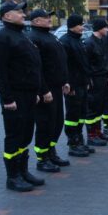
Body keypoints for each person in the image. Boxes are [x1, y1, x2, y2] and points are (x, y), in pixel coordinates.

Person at [0, 1, 43, 191]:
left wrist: (36, 92)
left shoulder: (21, 35)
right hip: (15, 97)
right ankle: (12, 177)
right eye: (18, 11)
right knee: (14, 136)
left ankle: (23, 171)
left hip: (29, 95)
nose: (23, 14)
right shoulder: (2, 38)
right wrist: (7, 98)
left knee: (26, 135)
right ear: (6, 16)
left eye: (23, 11)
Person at [26, 9, 72, 172]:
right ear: (36, 21)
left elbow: (60, 61)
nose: (49, 19)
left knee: (56, 122)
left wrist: (65, 81)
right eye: (46, 17)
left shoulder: (50, 36)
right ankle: (42, 158)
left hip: (57, 87)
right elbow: (36, 68)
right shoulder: (33, 38)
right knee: (45, 124)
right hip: (45, 90)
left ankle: (51, 153)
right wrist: (44, 90)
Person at [60, 13, 94, 156]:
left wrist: (87, 81)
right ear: (72, 26)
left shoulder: (78, 40)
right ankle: (72, 143)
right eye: (80, 25)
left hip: (82, 83)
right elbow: (64, 66)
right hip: (73, 86)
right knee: (72, 116)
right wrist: (70, 85)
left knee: (81, 113)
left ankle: (79, 140)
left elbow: (84, 64)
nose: (82, 27)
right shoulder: (65, 41)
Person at [84, 19, 108, 145]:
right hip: (94, 80)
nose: (107, 29)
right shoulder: (89, 43)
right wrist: (89, 80)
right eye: (105, 28)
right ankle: (91, 135)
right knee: (92, 107)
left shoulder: (102, 41)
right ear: (99, 28)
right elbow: (86, 64)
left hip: (102, 78)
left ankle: (97, 131)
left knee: (100, 106)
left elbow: (104, 61)